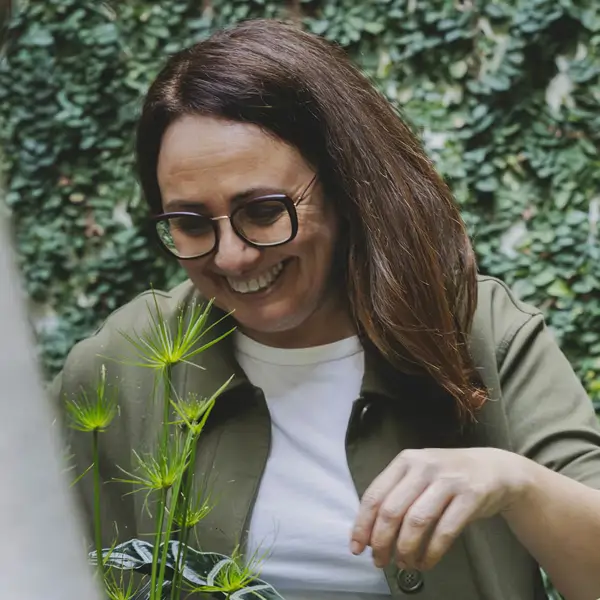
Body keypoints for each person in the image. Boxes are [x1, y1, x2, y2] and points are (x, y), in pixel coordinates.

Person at [52, 18, 600, 600]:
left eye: (263, 211)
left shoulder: (479, 331)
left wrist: (516, 483)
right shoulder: (120, 365)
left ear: (344, 189)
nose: (233, 257)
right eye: (190, 224)